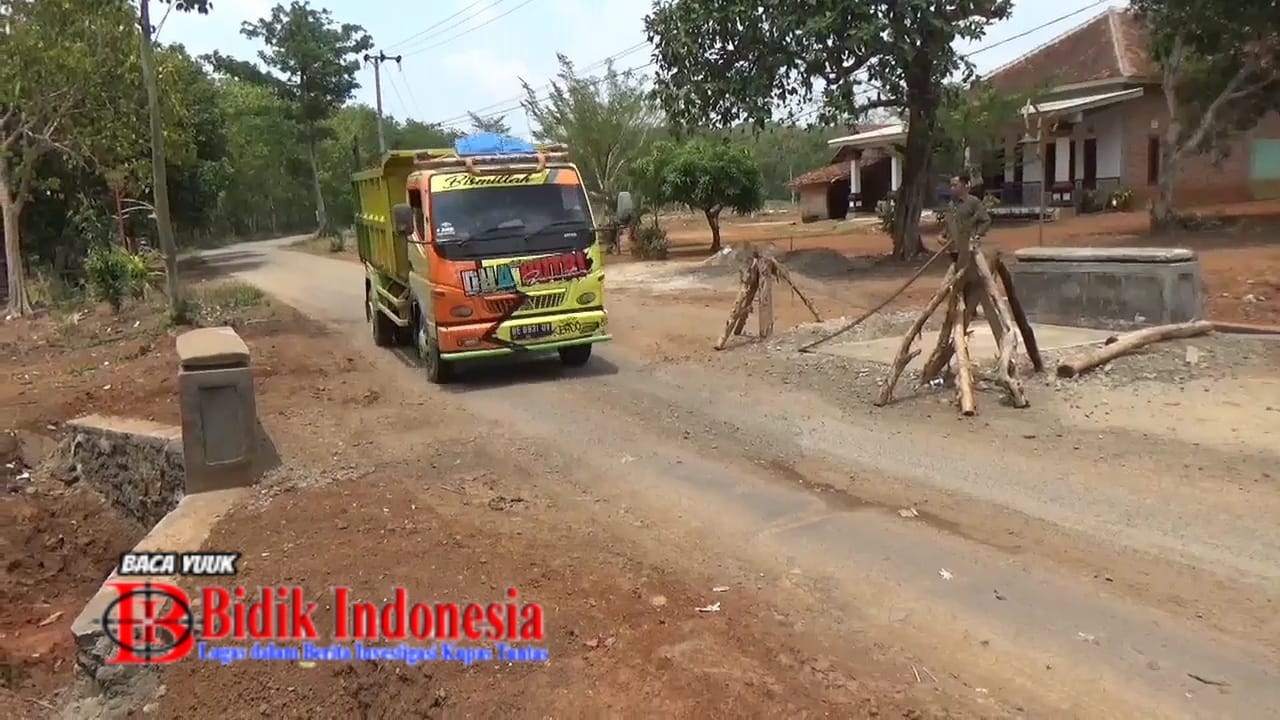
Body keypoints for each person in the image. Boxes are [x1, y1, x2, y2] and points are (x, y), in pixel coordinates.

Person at [946, 175, 991, 258]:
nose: (952, 188)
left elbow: (986, 220)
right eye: (951, 186)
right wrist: (943, 236)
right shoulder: (951, 205)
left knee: (982, 269)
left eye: (955, 185)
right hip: (954, 248)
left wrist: (977, 236)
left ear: (964, 185)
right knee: (955, 268)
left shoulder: (973, 202)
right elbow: (949, 224)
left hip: (970, 248)